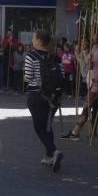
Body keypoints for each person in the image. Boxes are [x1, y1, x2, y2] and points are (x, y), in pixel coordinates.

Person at [24, 28, 63, 171]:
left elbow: (28, 76)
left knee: (39, 128)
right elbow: (62, 75)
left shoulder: (31, 56)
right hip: (53, 97)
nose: (32, 40)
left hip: (37, 95)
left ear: (39, 41)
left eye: (34, 38)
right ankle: (48, 157)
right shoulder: (55, 57)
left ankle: (54, 151)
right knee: (48, 125)